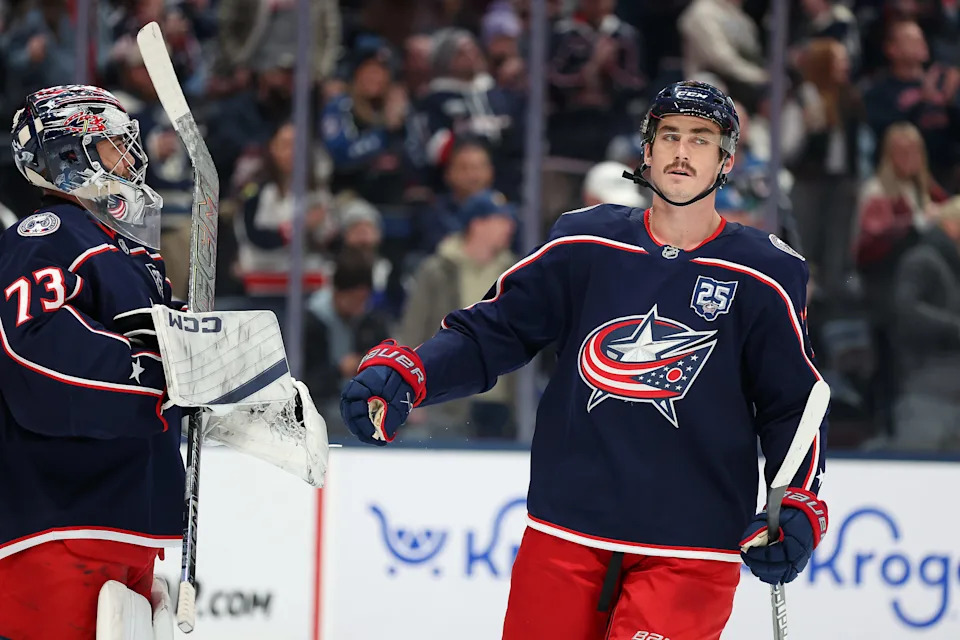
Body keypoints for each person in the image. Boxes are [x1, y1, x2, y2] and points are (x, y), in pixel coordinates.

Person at [340, 81, 829, 640]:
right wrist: (414, 373)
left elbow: (795, 403)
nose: (681, 151)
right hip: (567, 531)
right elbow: (494, 330)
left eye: (701, 139)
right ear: (646, 152)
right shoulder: (584, 243)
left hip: (691, 547)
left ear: (725, 161)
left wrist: (797, 498)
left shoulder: (765, 274)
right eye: (669, 135)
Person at [0, 85, 327, 639]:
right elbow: (35, 356)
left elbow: (178, 353)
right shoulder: (50, 237)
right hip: (57, 519)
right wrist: (168, 380)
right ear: (65, 155)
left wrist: (246, 388)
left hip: (126, 513)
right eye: (108, 144)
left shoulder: (133, 255)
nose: (129, 156)